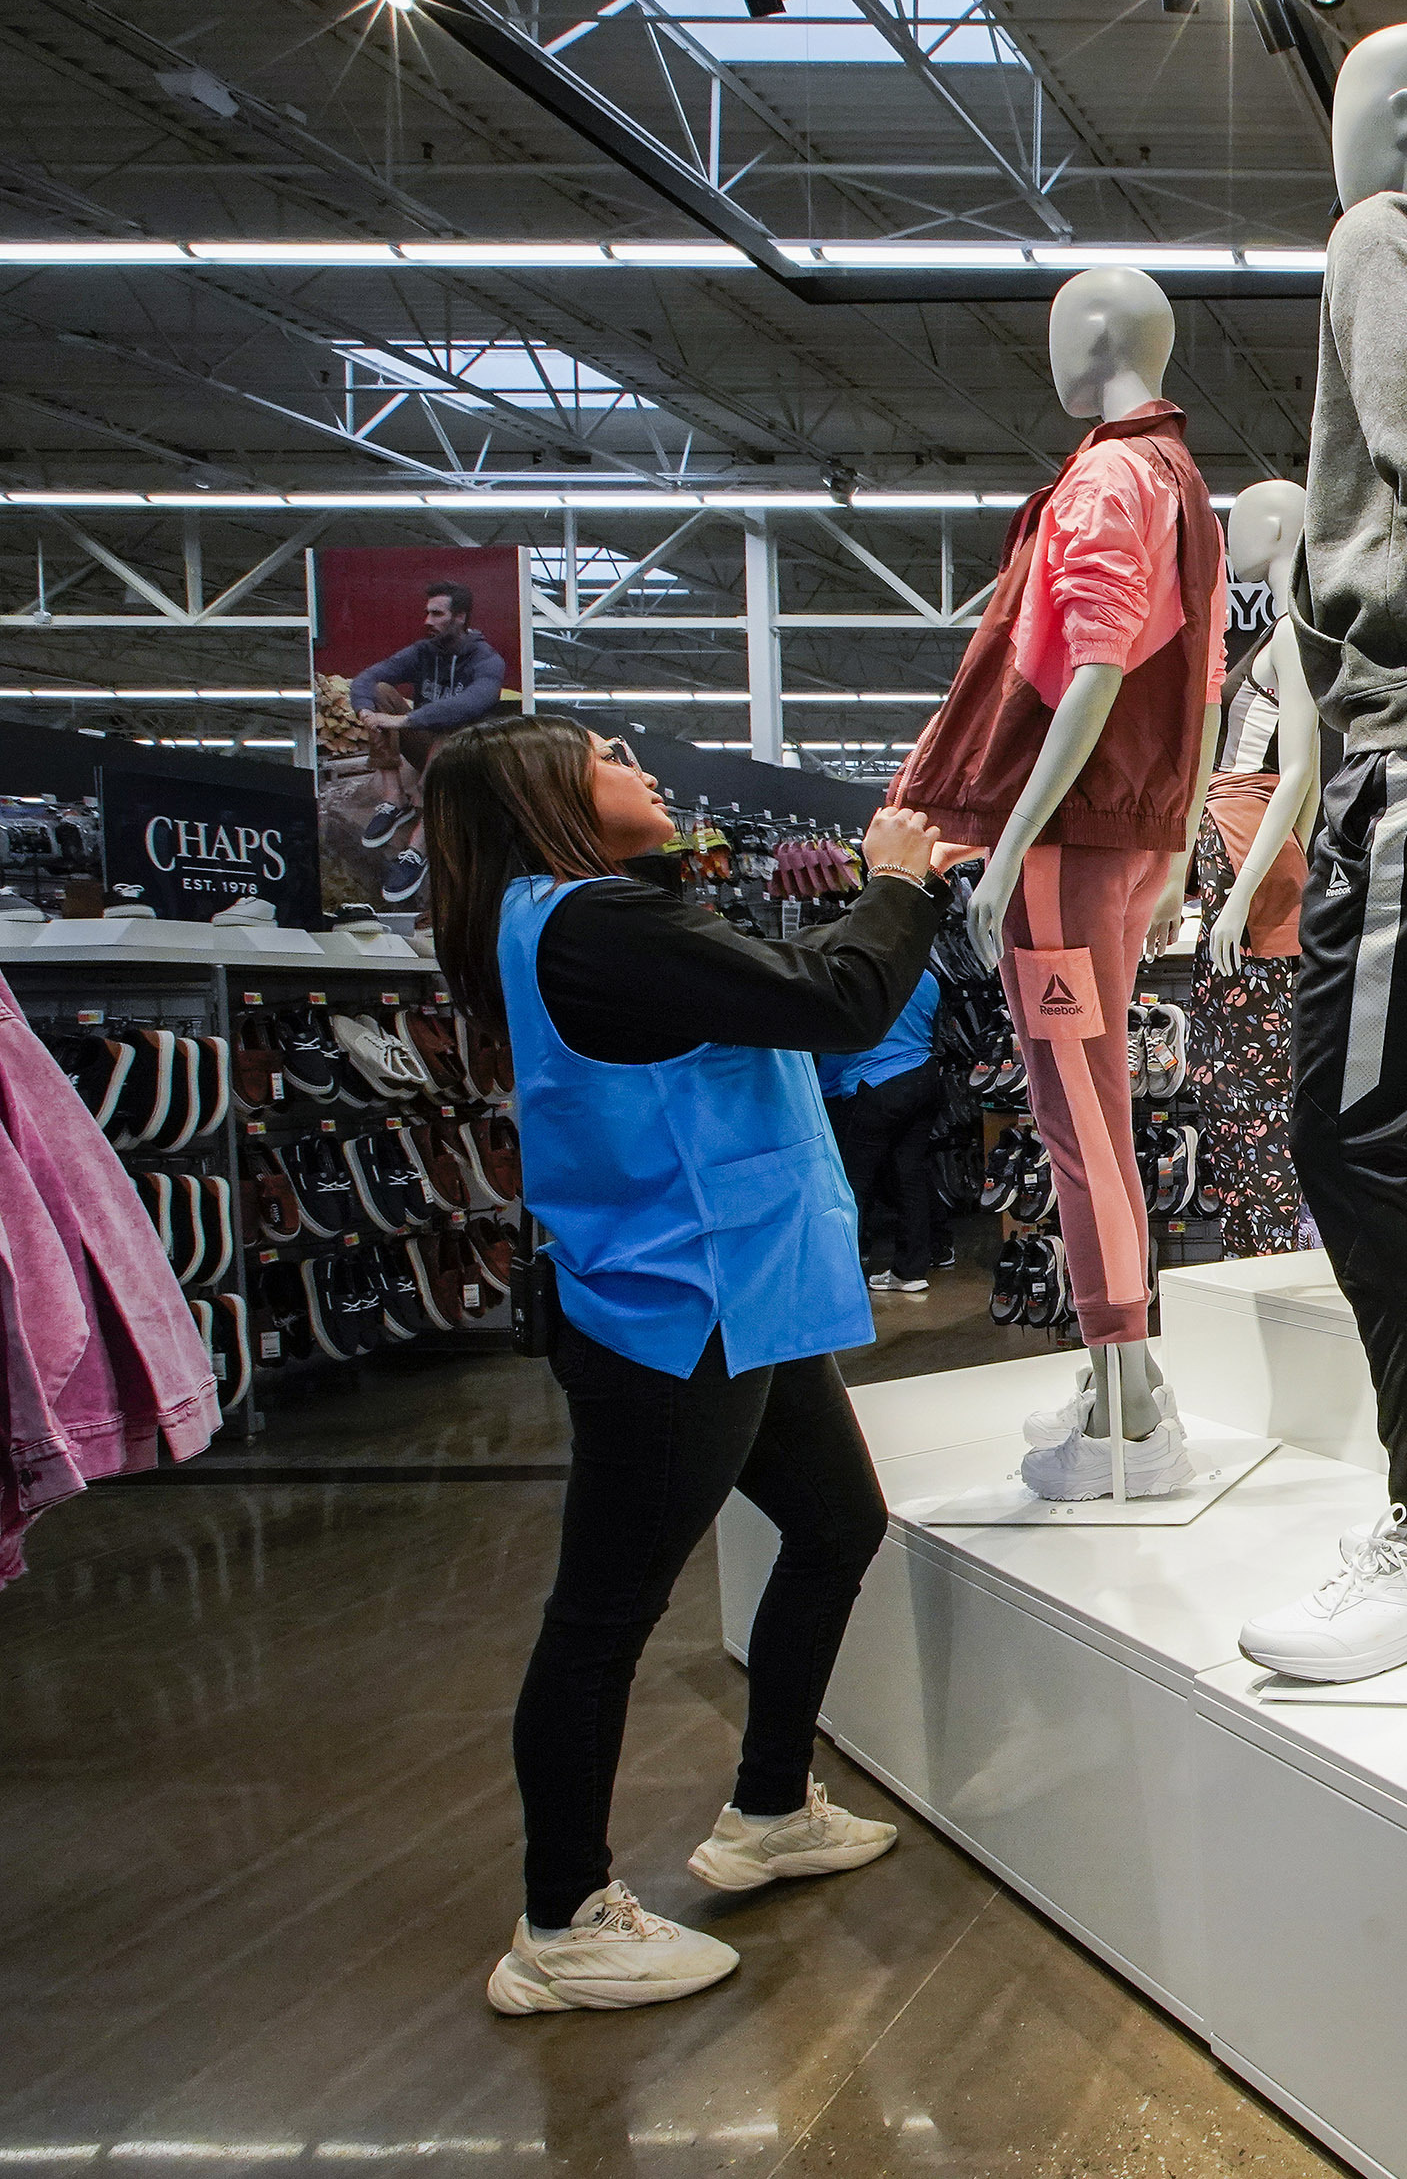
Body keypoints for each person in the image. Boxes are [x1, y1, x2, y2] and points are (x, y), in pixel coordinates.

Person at [420, 712, 963, 2015]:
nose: (641, 767)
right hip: (677, 1308)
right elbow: (834, 1000)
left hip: (732, 1286)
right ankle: (561, 1920)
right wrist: (895, 881)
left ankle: (771, 1802)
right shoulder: (595, 929)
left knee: (837, 1525)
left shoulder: (577, 919)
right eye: (609, 756)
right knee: (603, 1614)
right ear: (546, 792)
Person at [350, 581, 511, 901]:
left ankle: (416, 850)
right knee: (380, 692)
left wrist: (406, 719)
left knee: (453, 728)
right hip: (426, 745)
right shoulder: (423, 652)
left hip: (464, 758)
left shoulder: (486, 659)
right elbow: (367, 678)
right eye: (427, 613)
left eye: (437, 614)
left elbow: (474, 702)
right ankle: (394, 799)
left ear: (460, 617)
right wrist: (366, 711)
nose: (427, 621)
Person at [821, 965, 948, 1294]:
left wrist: (825, 1091)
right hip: (924, 1074)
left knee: (853, 1184)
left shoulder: (859, 977)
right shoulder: (926, 977)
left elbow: (838, 1049)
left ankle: (843, 1275)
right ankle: (911, 1270)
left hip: (878, 1083)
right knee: (911, 1175)